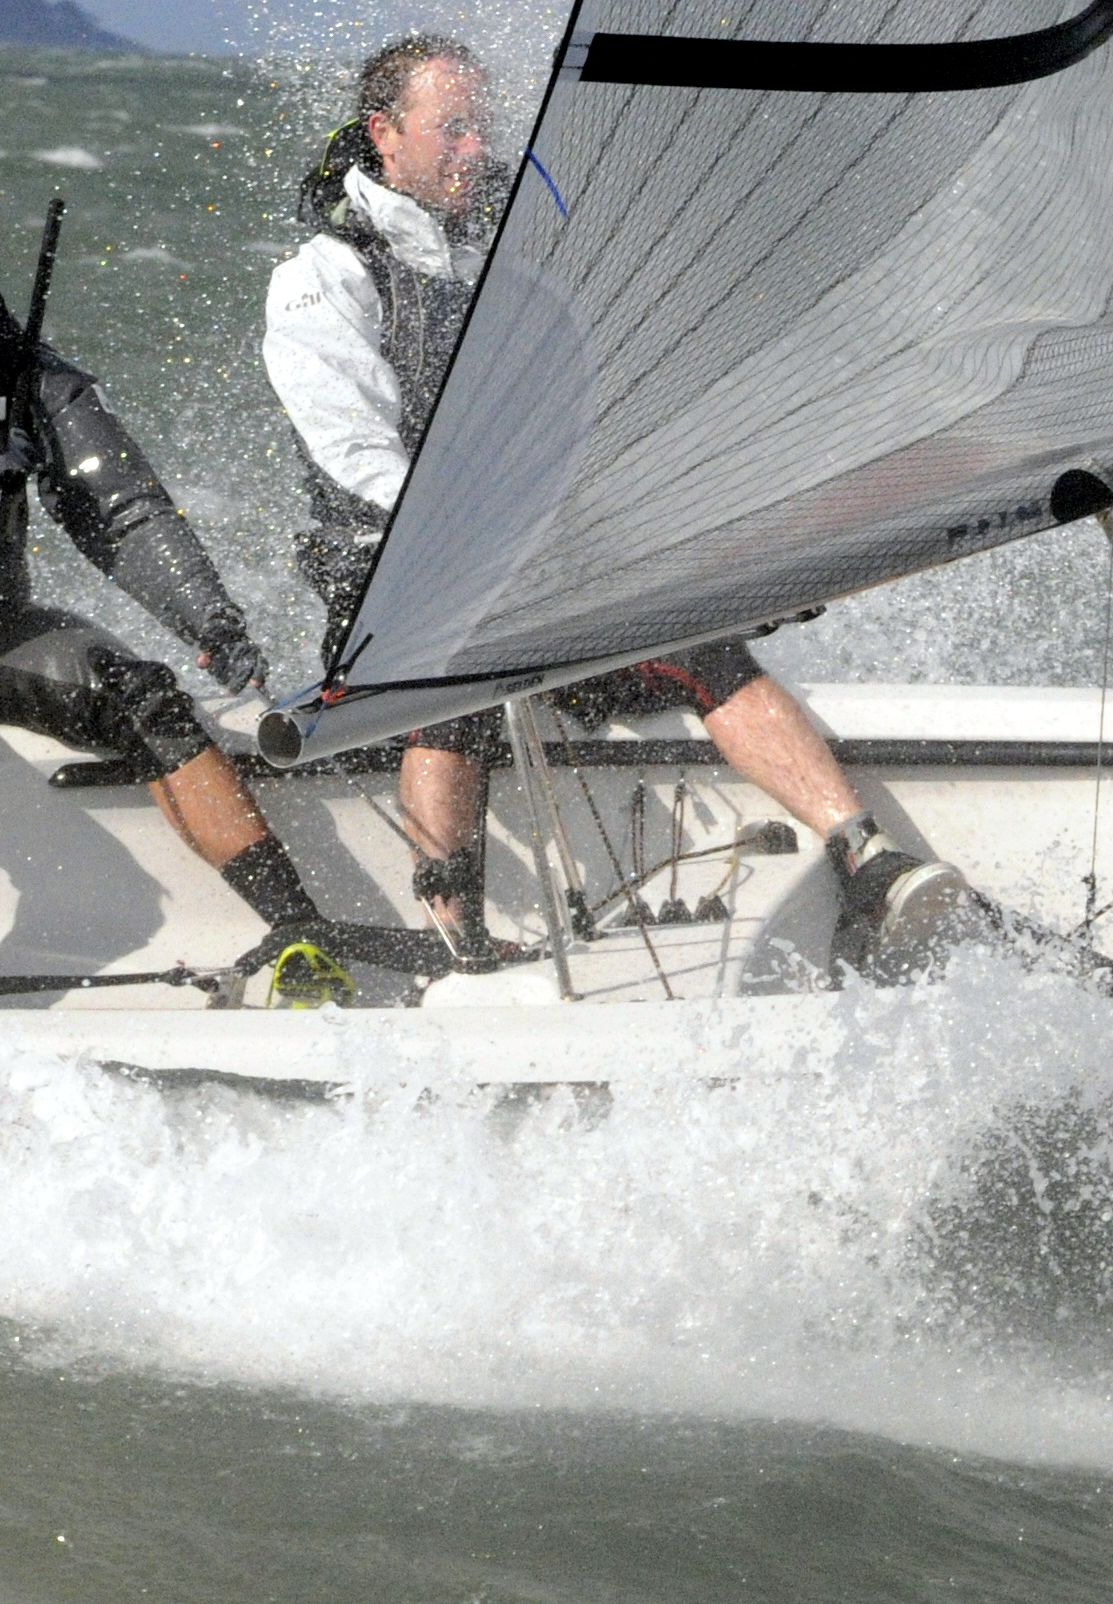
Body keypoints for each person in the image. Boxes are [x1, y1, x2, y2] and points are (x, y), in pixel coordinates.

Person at [265, 34, 969, 976]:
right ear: (385, 133)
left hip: (528, 561)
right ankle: (456, 939)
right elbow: (356, 456)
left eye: (484, 129)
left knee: (698, 636)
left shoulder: (503, 261)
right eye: (454, 128)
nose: (478, 149)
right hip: (390, 568)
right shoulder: (322, 276)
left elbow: (581, 425)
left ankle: (866, 857)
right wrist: (481, 545)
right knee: (448, 673)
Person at [0, 146, 427, 1009]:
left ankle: (302, 935)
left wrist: (210, 621)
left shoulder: (16, 358)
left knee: (143, 692)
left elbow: (122, 509)